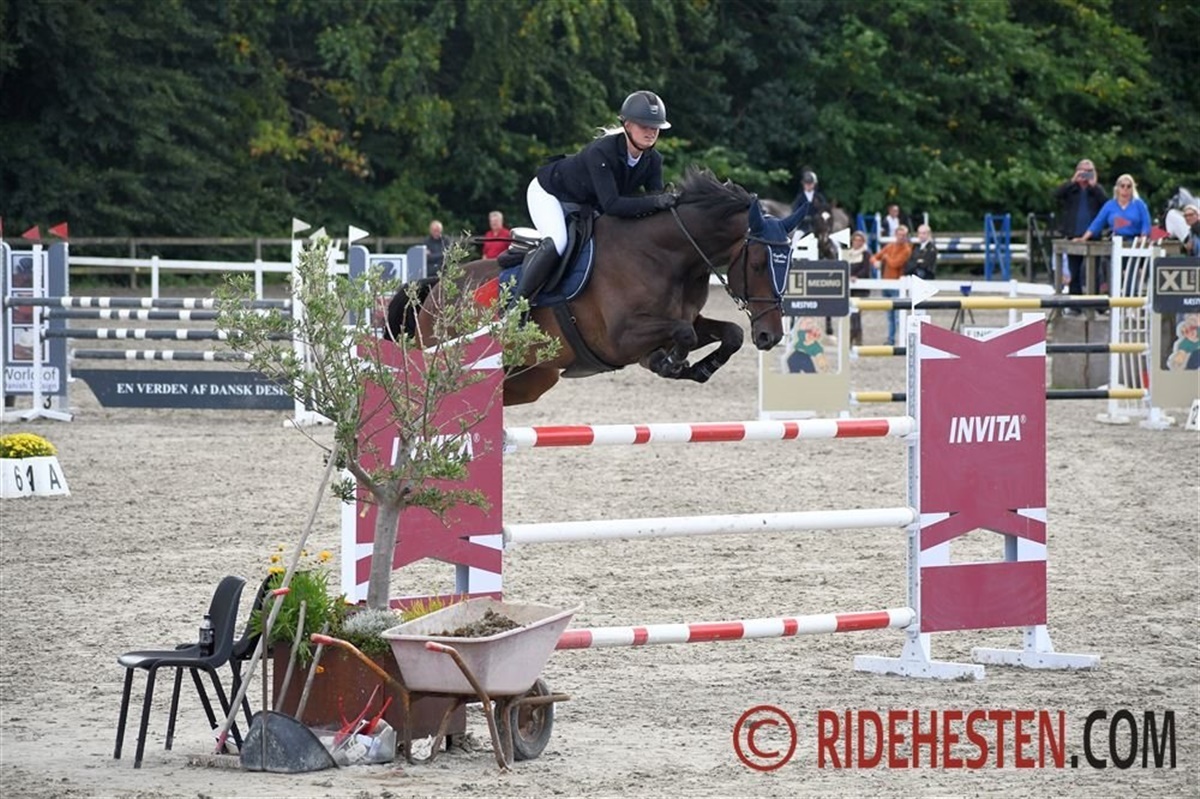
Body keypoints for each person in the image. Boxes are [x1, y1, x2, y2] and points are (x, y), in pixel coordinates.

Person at [517, 90, 676, 302]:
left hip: (585, 204)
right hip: (549, 193)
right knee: (558, 242)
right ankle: (515, 307)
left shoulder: (653, 160)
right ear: (627, 125)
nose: (651, 132)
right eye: (644, 126)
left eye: (655, 127)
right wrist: (657, 201)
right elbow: (612, 205)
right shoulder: (601, 152)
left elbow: (654, 202)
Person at [1054, 158, 1107, 298]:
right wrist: (1073, 181)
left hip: (1093, 236)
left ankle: (1094, 300)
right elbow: (1056, 195)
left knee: (1094, 272)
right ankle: (1075, 302)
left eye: (1089, 171)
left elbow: (1106, 205)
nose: (1086, 175)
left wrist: (1094, 186)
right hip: (1073, 234)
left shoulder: (1096, 190)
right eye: (1083, 171)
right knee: (1074, 271)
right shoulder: (1071, 189)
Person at [870, 224, 912, 345]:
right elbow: (874, 257)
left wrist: (886, 258)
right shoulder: (890, 246)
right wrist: (876, 262)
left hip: (897, 285)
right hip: (886, 283)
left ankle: (903, 339)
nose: (901, 237)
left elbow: (895, 264)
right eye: (899, 235)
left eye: (903, 235)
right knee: (890, 315)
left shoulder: (907, 249)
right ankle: (891, 339)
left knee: (899, 316)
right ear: (895, 235)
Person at [842, 230, 872, 346]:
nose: (857, 242)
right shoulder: (848, 253)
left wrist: (856, 276)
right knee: (851, 314)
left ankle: (857, 337)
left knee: (856, 314)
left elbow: (866, 269)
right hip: (850, 289)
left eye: (860, 240)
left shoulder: (866, 254)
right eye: (856, 240)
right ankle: (852, 336)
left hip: (861, 289)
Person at [790, 169, 828, 235]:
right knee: (796, 238)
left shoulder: (819, 197)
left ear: (814, 184)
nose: (808, 185)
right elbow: (795, 210)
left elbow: (825, 210)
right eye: (806, 184)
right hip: (803, 227)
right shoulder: (799, 198)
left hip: (817, 227)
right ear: (803, 184)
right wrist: (802, 217)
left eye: (810, 183)